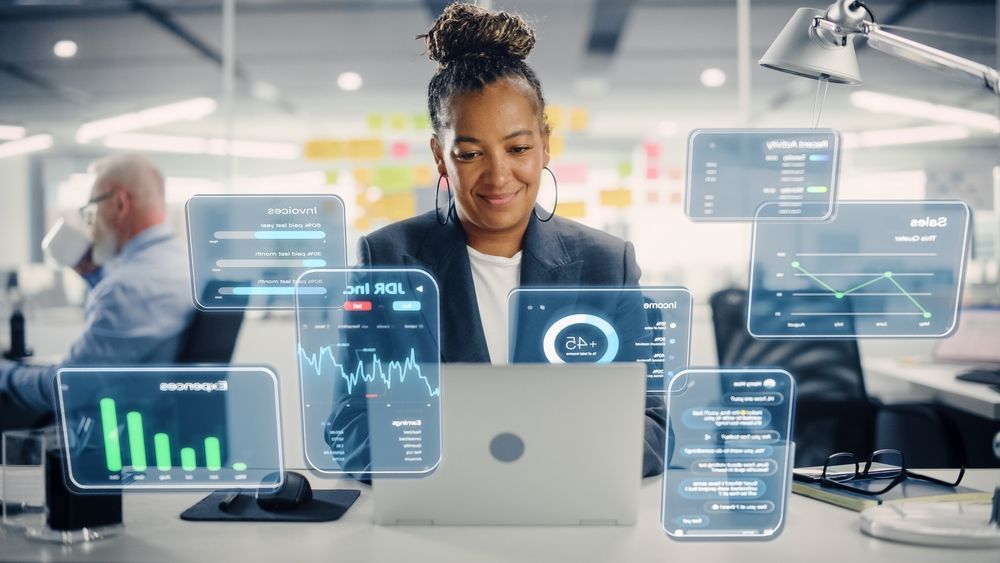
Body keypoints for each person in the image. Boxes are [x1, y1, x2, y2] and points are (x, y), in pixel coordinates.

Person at [331, 3, 666, 477]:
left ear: (546, 144)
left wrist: (543, 464)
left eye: (519, 148)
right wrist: (469, 469)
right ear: (440, 157)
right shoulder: (387, 259)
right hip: (440, 518)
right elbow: (350, 430)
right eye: (469, 153)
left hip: (565, 511)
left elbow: (653, 425)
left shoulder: (606, 264)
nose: (498, 175)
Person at [0, 154, 195, 421]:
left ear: (119, 204)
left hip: (121, 438)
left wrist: (6, 374)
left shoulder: (128, 287)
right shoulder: (186, 264)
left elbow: (67, 388)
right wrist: (96, 277)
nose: (90, 225)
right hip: (167, 427)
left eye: (92, 210)